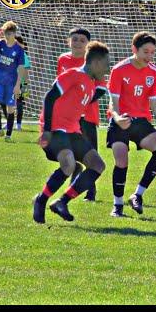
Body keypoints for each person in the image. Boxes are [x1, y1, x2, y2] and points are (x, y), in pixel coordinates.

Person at [32, 41, 109, 224]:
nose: (107, 69)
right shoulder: (73, 75)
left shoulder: (91, 83)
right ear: (96, 63)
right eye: (106, 64)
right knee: (68, 164)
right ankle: (40, 200)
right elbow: (50, 97)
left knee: (98, 165)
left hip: (73, 131)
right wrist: (48, 131)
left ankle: (62, 202)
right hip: (56, 129)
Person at [106, 31, 156, 217]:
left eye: (152, 52)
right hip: (121, 120)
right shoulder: (119, 70)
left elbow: (155, 102)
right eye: (145, 52)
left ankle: (137, 195)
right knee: (121, 160)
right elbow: (113, 101)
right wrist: (117, 118)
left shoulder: (154, 72)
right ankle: (117, 206)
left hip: (140, 121)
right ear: (134, 49)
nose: (149, 56)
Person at [56, 27, 100, 202]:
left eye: (82, 40)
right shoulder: (63, 59)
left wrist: (83, 101)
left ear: (88, 44)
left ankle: (91, 191)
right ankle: (75, 182)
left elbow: (100, 88)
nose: (78, 43)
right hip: (68, 116)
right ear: (69, 41)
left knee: (91, 153)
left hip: (88, 115)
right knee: (71, 152)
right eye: (75, 39)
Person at [0, 21, 25, 142]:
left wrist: (18, 85)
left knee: (11, 109)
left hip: (11, 83)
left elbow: (21, 68)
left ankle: (8, 136)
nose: (7, 35)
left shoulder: (19, 49)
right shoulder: (0, 43)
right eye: (6, 33)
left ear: (14, 34)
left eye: (10, 33)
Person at [0, 34, 31, 131]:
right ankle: (9, 122)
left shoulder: (23, 55)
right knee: (3, 102)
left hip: (19, 83)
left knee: (19, 103)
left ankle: (18, 124)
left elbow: (25, 72)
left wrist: (25, 86)